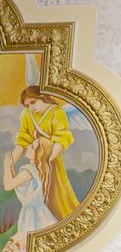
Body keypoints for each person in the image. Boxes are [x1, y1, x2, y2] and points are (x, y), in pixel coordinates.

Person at [16, 85, 79, 220]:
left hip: (51, 160)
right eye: (27, 105)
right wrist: (11, 162)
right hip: (35, 159)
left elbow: (61, 138)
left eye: (33, 102)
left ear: (42, 97)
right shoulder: (27, 114)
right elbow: (23, 139)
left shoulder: (57, 112)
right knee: (38, 193)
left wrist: (47, 161)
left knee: (57, 191)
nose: (31, 107)